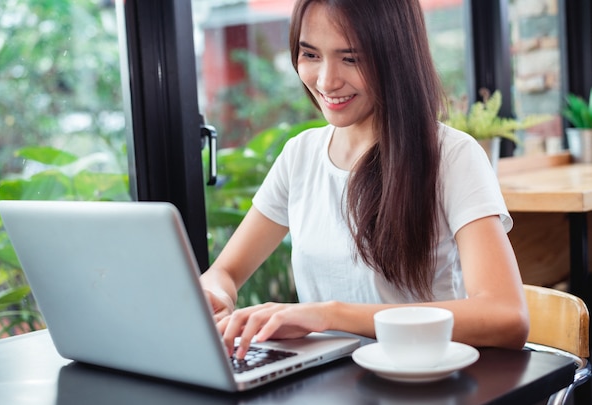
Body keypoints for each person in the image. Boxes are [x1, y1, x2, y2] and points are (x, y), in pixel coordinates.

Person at [200, 0, 530, 360]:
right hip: (326, 387)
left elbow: (506, 316)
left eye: (351, 58)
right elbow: (225, 273)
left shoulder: (451, 155)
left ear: (395, 55)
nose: (326, 81)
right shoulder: (300, 155)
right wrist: (215, 293)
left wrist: (330, 315)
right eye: (310, 55)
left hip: (421, 384)